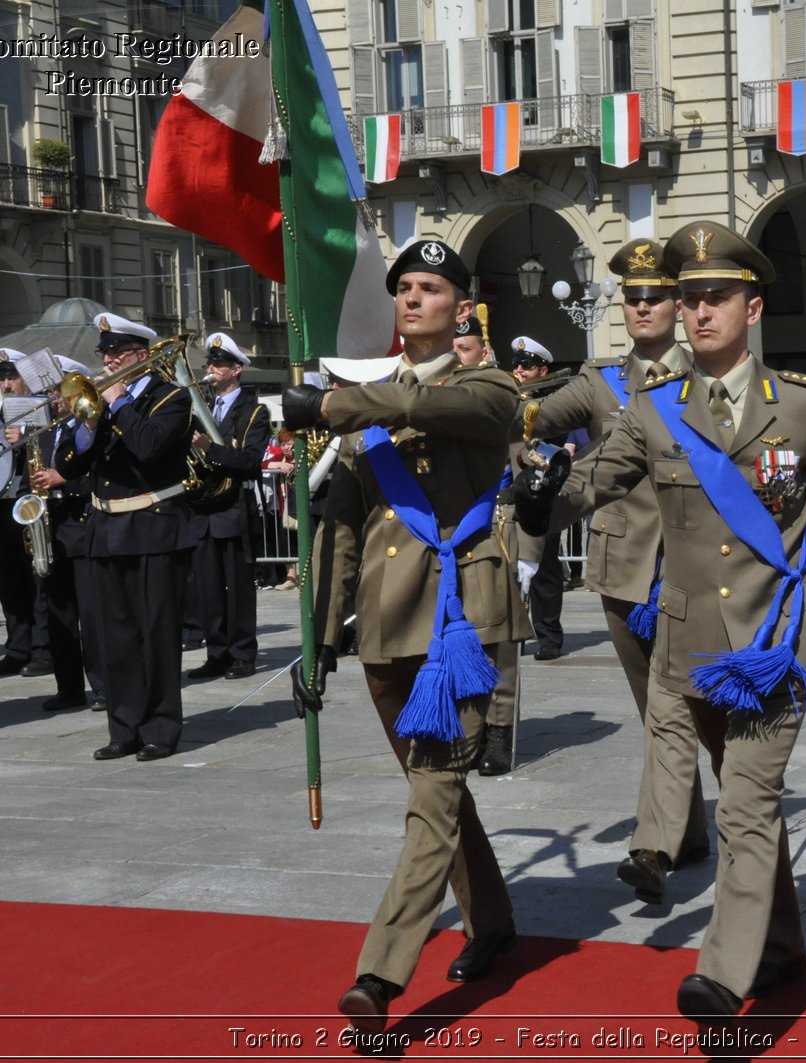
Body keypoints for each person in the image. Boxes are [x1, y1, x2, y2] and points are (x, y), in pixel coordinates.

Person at [515, 220, 806, 1021]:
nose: (698, 313)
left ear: (753, 307)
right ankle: (784, 944)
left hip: (773, 644)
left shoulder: (803, 405)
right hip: (686, 649)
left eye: (715, 297)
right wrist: (547, 497)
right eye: (688, 300)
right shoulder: (654, 411)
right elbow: (598, 480)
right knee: (742, 797)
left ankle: (722, 974)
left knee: (749, 804)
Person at [283, 239, 527, 1035]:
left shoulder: (485, 385)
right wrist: (321, 635)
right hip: (389, 621)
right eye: (405, 289)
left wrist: (328, 406)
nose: (413, 299)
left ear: (463, 306)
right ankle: (490, 919)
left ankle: (380, 974)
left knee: (431, 798)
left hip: (459, 619)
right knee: (440, 791)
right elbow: (343, 526)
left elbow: (431, 408)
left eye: (430, 288)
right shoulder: (373, 398)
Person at [522, 237, 711, 897]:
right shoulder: (601, 383)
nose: (640, 307)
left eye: (653, 296)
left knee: (677, 708)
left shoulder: (711, 375)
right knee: (654, 709)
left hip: (692, 570)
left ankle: (657, 843)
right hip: (625, 570)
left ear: (677, 303)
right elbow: (533, 417)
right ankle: (685, 833)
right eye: (631, 298)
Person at [57, 313, 198, 761]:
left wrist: (119, 404)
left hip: (154, 526)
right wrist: (88, 423)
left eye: (118, 354)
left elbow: (150, 448)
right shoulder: (101, 404)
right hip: (106, 530)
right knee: (113, 637)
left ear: (141, 357)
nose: (109, 361)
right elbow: (71, 464)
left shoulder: (171, 398)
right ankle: (123, 726)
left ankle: (159, 727)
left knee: (157, 634)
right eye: (105, 355)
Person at [25, 353, 108, 711]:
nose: (54, 399)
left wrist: (64, 479)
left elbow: (98, 473)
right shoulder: (50, 431)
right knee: (58, 614)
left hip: (83, 525)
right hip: (54, 530)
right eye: (52, 392)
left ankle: (104, 687)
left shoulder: (91, 426)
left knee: (92, 618)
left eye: (59, 391)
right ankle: (68, 687)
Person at [187, 333, 270, 682]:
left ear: (236, 370)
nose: (211, 369)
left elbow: (251, 460)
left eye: (219, 364)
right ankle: (216, 652)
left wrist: (210, 450)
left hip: (233, 509)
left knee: (237, 587)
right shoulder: (199, 408)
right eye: (209, 363)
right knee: (207, 587)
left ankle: (242, 653)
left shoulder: (253, 411)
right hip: (203, 510)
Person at [0, 349, 52, 679]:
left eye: (13, 378)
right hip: (0, 504)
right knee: (9, 582)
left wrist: (23, 438)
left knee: (37, 580)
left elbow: (50, 448)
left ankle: (43, 649)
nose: (7, 385)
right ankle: (16, 648)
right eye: (3, 378)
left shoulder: (40, 410)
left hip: (30, 503)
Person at [508, 336, 569, 662]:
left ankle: (549, 636)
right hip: (508, 493)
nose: (519, 369)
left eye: (527, 365)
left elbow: (554, 443)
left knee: (544, 567)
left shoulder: (553, 400)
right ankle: (515, 632)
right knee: (508, 564)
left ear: (542, 369)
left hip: (540, 490)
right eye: (516, 363)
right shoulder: (508, 397)